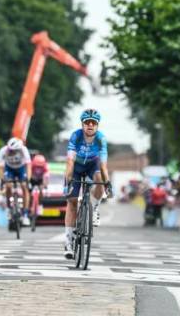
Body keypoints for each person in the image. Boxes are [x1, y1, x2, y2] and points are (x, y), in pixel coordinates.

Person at [63, 108, 112, 259]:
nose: (90, 125)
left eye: (93, 123)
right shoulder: (76, 136)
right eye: (87, 122)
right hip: (76, 167)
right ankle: (68, 241)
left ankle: (94, 208)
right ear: (82, 124)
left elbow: (103, 165)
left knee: (99, 178)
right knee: (71, 202)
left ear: (97, 125)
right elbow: (70, 161)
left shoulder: (101, 139)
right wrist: (68, 182)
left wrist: (108, 183)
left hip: (93, 166)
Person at [0, 137, 32, 226]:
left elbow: (28, 165)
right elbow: (1, 167)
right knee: (8, 186)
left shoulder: (24, 150)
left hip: (21, 169)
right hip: (9, 169)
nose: (12, 152)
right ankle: (9, 209)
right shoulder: (3, 151)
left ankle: (25, 215)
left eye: (14, 151)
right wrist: (2, 180)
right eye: (10, 150)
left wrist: (28, 179)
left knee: (25, 187)